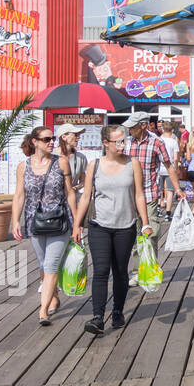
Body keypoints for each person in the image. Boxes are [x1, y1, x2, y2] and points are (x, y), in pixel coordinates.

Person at [74, 125, 151, 335]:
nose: (122, 145)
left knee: (120, 272)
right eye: (118, 141)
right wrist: (77, 224)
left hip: (125, 226)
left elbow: (139, 195)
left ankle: (117, 311)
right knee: (100, 271)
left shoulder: (132, 164)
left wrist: (145, 222)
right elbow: (86, 196)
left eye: (123, 140)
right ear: (105, 143)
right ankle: (98, 316)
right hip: (99, 225)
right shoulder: (94, 166)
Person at [11, 126, 74, 326]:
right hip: (34, 222)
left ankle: (43, 310)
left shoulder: (61, 163)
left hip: (59, 221)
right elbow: (19, 195)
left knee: (51, 265)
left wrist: (78, 222)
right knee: (42, 265)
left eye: (52, 138)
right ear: (35, 142)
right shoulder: (23, 166)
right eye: (46, 139)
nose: (51, 142)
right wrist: (15, 221)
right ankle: (54, 296)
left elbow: (70, 192)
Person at [123, 110, 182, 227]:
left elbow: (169, 167)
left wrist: (178, 189)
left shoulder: (156, 142)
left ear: (143, 125)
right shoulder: (126, 142)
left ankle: (150, 246)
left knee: (151, 230)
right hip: (128, 194)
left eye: (133, 127)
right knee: (133, 232)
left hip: (148, 192)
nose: (130, 130)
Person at [56, 123, 89, 213]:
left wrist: (74, 188)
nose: (78, 137)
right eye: (75, 134)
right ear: (64, 137)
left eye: (79, 135)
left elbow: (84, 181)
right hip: (54, 204)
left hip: (73, 203)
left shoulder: (80, 157)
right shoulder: (52, 156)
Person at [159, 121, 180, 215]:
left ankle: (159, 209)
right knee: (170, 190)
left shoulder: (157, 140)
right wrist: (175, 168)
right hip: (170, 169)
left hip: (159, 168)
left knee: (159, 190)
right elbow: (176, 159)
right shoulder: (174, 142)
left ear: (162, 129)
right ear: (172, 130)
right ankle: (168, 213)